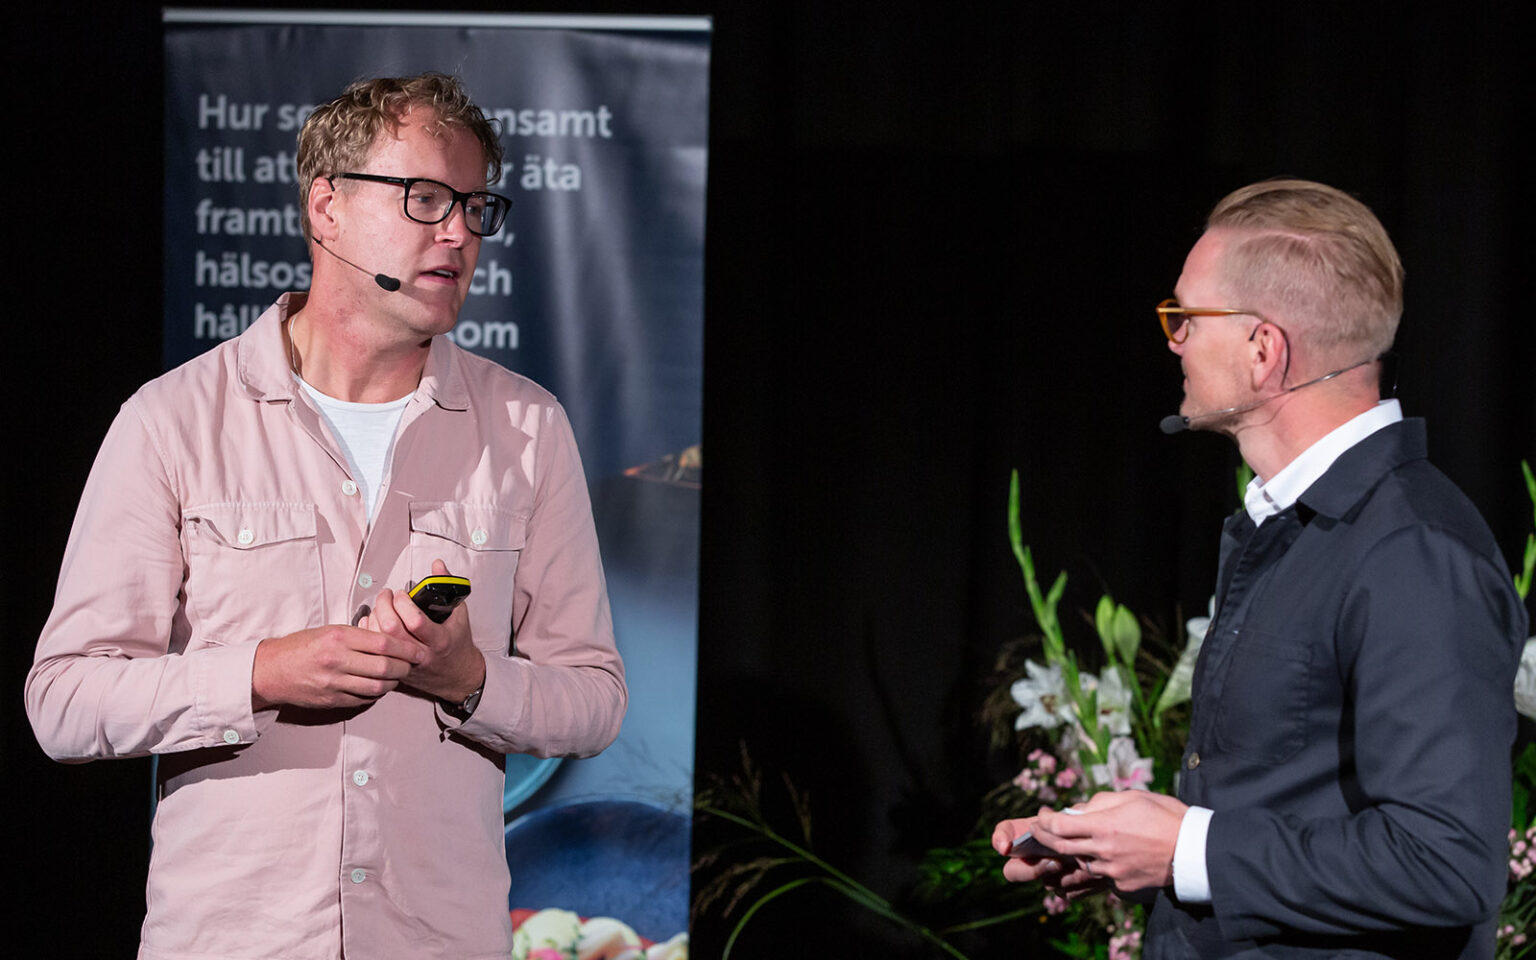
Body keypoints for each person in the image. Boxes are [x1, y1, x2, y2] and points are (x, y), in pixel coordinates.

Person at [26, 72, 626, 959]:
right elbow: (64, 702)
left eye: (474, 206)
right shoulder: (173, 420)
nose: (458, 233)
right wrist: (261, 673)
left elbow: (596, 700)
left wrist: (466, 678)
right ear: (326, 207)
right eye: (425, 199)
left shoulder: (528, 429)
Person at [992, 178, 1526, 958]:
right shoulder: (1290, 526)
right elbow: (1279, 804)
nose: (1171, 340)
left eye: (1184, 317)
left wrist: (1189, 852)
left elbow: (1446, 862)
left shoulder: (1412, 550)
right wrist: (1131, 848)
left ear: (1264, 349)